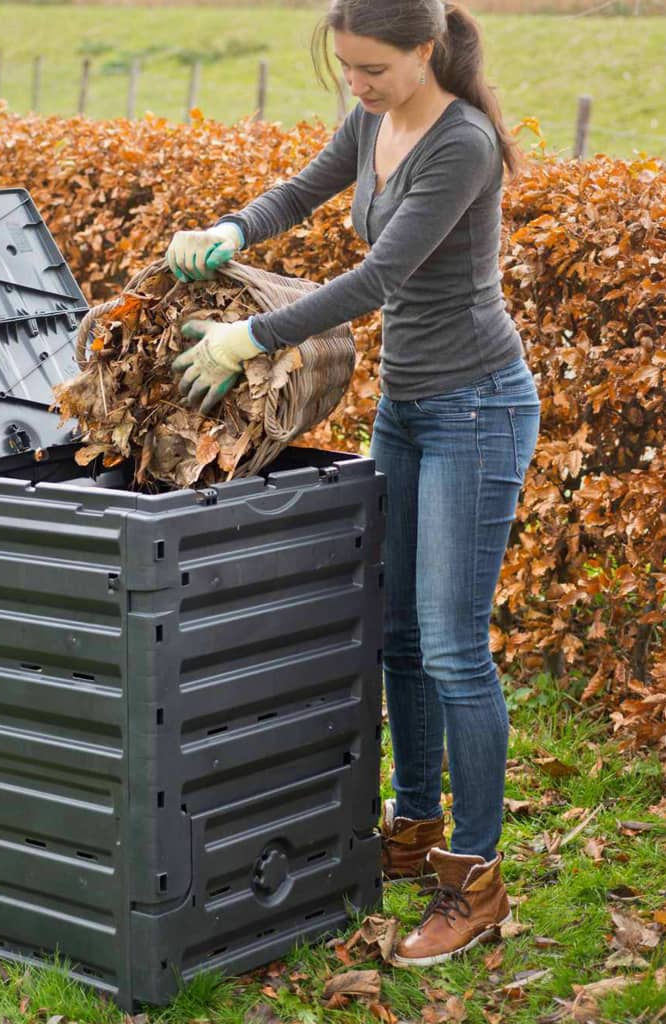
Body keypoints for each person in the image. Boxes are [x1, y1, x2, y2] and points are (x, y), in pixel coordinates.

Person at [165, 0, 539, 967]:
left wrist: (250, 336)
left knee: (454, 649)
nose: (358, 86)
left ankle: (476, 878)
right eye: (347, 68)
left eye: (373, 69)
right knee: (399, 636)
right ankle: (413, 828)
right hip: (406, 408)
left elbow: (380, 278)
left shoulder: (463, 144)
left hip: (478, 409)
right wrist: (232, 226)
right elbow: (303, 190)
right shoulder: (374, 119)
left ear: (425, 50)